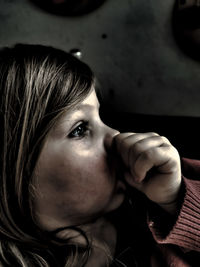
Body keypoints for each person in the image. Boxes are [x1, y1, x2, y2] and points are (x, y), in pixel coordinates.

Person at [0, 43, 199, 267]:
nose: (116, 135)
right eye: (80, 129)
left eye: (100, 117)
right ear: (14, 172)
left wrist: (176, 200)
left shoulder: (161, 191)